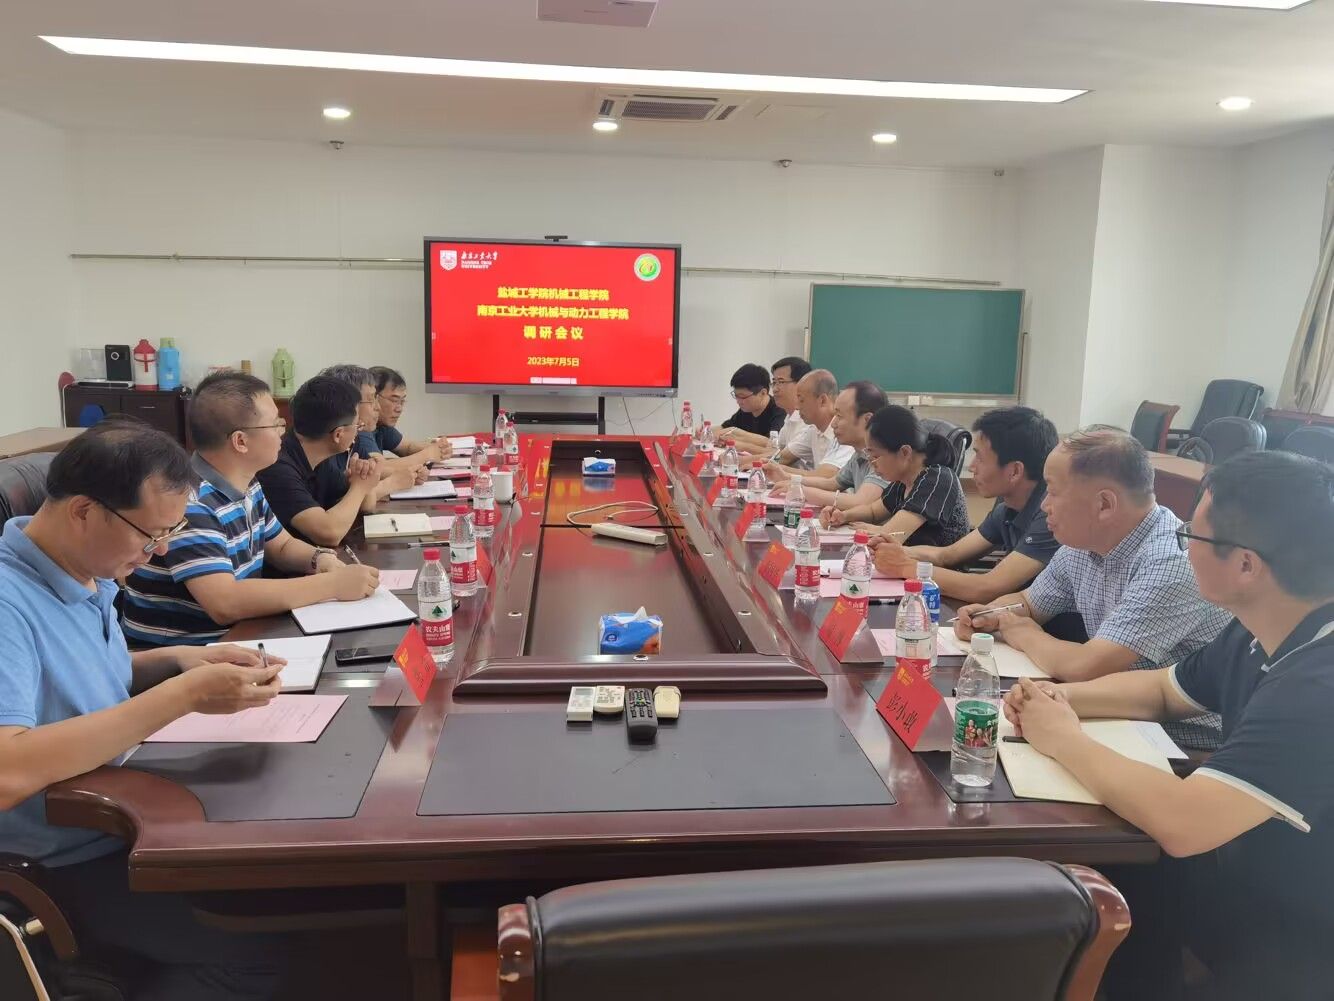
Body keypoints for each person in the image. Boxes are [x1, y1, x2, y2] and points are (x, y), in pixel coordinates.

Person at [1005, 450, 1334, 999]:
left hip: (1303, 931)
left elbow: (1185, 822)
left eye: (1193, 537)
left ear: (1246, 565)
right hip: (1248, 865)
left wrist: (1061, 736)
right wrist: (1057, 698)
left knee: (1107, 892)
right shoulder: (1262, 627)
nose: (1184, 548)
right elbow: (1164, 690)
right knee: (1099, 882)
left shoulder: (1317, 687)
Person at [0, 417, 286, 1000]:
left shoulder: (81, 567)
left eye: (171, 531)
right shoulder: (8, 603)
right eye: (150, 534)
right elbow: (7, 769)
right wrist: (180, 697)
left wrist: (177, 660)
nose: (160, 550)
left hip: (121, 812)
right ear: (84, 511)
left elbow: (72, 678)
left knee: (280, 889)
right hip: (63, 861)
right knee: (256, 957)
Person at [955, 426, 1229, 747]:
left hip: (1175, 742)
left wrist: (1020, 630)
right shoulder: (1083, 544)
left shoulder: (1169, 562)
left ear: (1104, 505)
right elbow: (1028, 604)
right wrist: (993, 614)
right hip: (1110, 713)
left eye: (1053, 491)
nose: (1043, 505)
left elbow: (1085, 667)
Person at [122, 372, 381, 646]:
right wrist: (332, 585)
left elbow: (282, 546)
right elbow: (225, 602)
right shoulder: (189, 502)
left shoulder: (248, 484)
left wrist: (319, 558)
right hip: (186, 655)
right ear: (240, 441)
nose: (283, 431)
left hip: (237, 639)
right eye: (275, 424)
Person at [873, 406, 1059, 602]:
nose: (972, 467)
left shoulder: (1051, 514)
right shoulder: (1007, 508)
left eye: (980, 458)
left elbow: (987, 587)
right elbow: (948, 555)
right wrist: (897, 552)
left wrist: (904, 566)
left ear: (1014, 471)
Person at [256, 376, 406, 547]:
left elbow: (366, 506)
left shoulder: (322, 457)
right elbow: (329, 533)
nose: (358, 433)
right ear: (338, 434)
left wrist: (362, 480)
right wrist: (359, 488)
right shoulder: (277, 468)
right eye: (357, 426)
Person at [826, 405, 970, 547]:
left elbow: (891, 536)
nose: (871, 464)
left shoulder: (937, 479)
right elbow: (873, 512)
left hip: (931, 562)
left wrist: (878, 530)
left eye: (875, 456)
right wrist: (843, 516)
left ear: (905, 452)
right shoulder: (904, 480)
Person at [766, 380, 888, 511]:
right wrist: (789, 478)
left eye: (839, 416)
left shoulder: (886, 455)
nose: (833, 424)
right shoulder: (859, 454)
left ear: (867, 420)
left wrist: (800, 490)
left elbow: (860, 502)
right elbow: (832, 483)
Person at [319, 364, 429, 482]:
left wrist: (409, 473)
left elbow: (373, 472)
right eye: (371, 400)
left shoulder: (355, 435)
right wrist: (396, 481)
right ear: (348, 405)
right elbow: (379, 471)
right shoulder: (357, 435)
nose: (378, 407)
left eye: (402, 401)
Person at [767, 369, 854, 478]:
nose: (797, 407)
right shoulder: (814, 429)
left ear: (822, 400)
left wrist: (779, 469)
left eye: (802, 400)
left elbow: (825, 476)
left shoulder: (844, 431)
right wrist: (763, 463)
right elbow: (784, 457)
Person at [719, 356, 809, 456]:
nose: (775, 389)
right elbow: (775, 451)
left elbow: (783, 457)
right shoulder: (789, 418)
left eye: (781, 382)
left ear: (802, 384)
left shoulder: (806, 422)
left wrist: (741, 442)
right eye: (774, 382)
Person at [370, 365, 453, 464]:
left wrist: (438, 448)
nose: (399, 409)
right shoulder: (363, 429)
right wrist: (428, 454)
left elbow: (407, 448)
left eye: (402, 401)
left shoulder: (382, 425)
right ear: (373, 397)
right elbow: (381, 468)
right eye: (394, 400)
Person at [718, 363, 785, 440]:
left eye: (742, 396)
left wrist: (737, 434)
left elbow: (772, 443)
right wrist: (707, 430)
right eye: (736, 395)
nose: (738, 401)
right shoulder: (746, 410)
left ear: (763, 393)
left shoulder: (780, 412)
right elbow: (724, 428)